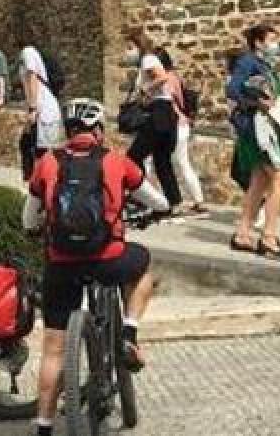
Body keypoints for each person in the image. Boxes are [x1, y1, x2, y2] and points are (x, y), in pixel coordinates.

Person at [22, 100, 170, 436]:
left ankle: (44, 425)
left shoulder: (47, 163)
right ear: (98, 130)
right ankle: (129, 333)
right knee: (145, 267)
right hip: (108, 258)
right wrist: (157, 212)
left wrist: (36, 228)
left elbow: (28, 218)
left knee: (54, 348)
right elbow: (158, 201)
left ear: (68, 131)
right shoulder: (117, 161)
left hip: (60, 264)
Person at [227, 23, 280, 261]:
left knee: (259, 181)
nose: (276, 44)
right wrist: (257, 104)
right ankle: (269, 237)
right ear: (259, 42)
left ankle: (243, 233)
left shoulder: (263, 66)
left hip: (267, 129)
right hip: (258, 130)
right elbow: (233, 90)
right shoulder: (248, 62)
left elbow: (276, 101)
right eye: (271, 39)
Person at [124, 28, 183, 213]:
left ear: (137, 45)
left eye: (128, 47)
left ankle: (142, 196)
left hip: (158, 113)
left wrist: (145, 90)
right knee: (162, 160)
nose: (127, 52)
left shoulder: (148, 60)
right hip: (166, 114)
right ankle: (174, 201)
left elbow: (162, 77)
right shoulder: (151, 60)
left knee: (133, 157)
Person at [157, 48, 209, 217]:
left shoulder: (166, 79)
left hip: (175, 125)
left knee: (173, 163)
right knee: (181, 163)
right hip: (181, 125)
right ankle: (197, 200)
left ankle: (165, 201)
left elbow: (169, 102)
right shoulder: (175, 77)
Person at [17, 44, 65, 182]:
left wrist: (32, 108)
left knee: (36, 148)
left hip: (43, 109)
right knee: (31, 144)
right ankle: (37, 181)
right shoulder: (29, 53)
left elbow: (32, 77)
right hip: (43, 108)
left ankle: (39, 182)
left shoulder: (28, 51)